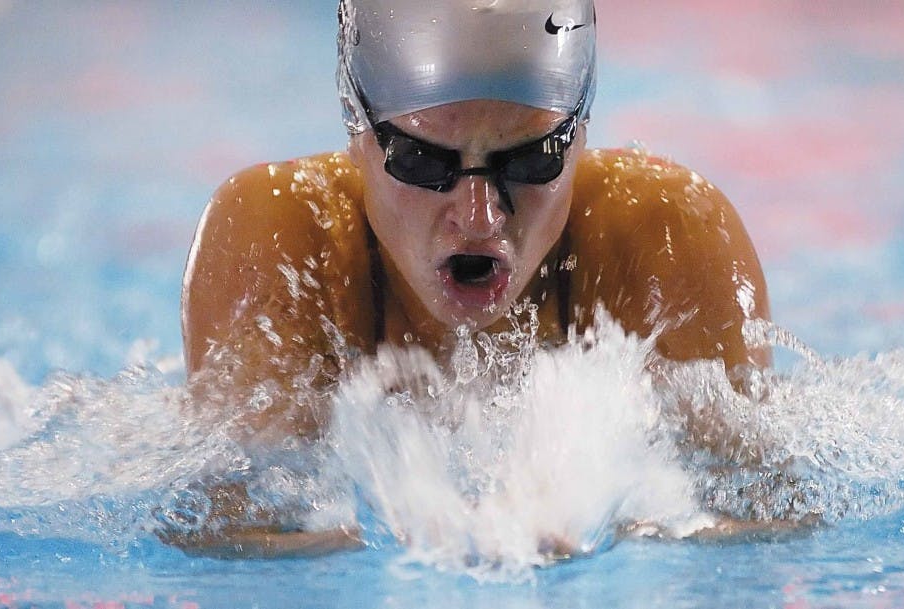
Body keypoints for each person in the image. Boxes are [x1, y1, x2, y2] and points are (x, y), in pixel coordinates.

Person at [176, 0, 770, 557]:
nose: (480, 215)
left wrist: (613, 536)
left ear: (580, 132)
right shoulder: (280, 242)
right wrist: (419, 544)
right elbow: (234, 541)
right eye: (423, 160)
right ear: (356, 132)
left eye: (533, 159)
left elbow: (763, 522)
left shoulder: (669, 236)